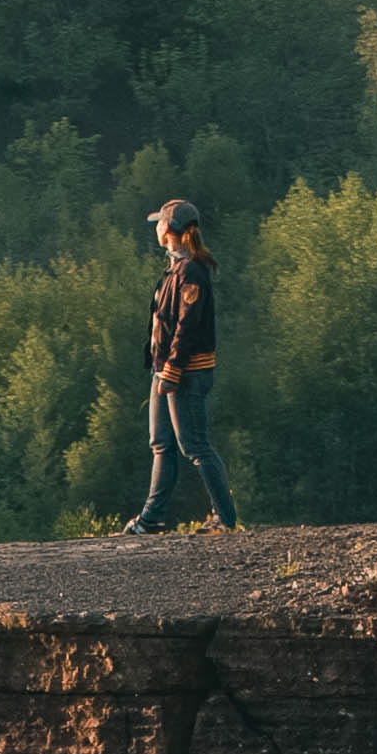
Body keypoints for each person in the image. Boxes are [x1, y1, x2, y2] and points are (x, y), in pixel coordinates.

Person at [122, 196, 240, 534]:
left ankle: (225, 519)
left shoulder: (191, 272)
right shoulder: (178, 269)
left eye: (159, 222)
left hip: (185, 372)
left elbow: (186, 327)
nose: (156, 228)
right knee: (162, 444)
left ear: (169, 229)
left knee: (195, 446)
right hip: (166, 370)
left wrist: (172, 371)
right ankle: (151, 519)